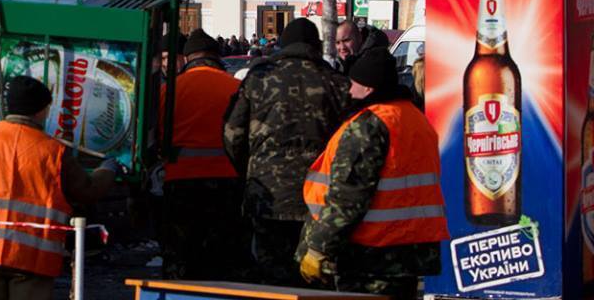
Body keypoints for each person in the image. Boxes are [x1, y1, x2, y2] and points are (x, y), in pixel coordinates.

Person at [297, 48, 449, 300]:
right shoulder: (415, 119)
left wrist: (318, 247)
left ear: (368, 88)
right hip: (410, 252)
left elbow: (348, 196)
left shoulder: (369, 125)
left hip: (371, 255)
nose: (348, 91)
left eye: (353, 85)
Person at [0, 75, 122, 300]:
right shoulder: (53, 151)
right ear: (41, 111)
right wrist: (108, 169)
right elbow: (88, 191)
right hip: (32, 258)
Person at [223, 18, 349, 285]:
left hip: (267, 195)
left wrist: (249, 171)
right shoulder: (336, 82)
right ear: (316, 45)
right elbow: (348, 144)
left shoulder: (259, 78)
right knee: (314, 276)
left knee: (271, 275)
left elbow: (233, 135)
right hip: (319, 197)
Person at [159, 28, 244, 280]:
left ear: (186, 58)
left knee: (181, 258)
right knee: (222, 259)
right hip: (227, 183)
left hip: (179, 182)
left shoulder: (170, 90)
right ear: (218, 57)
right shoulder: (237, 88)